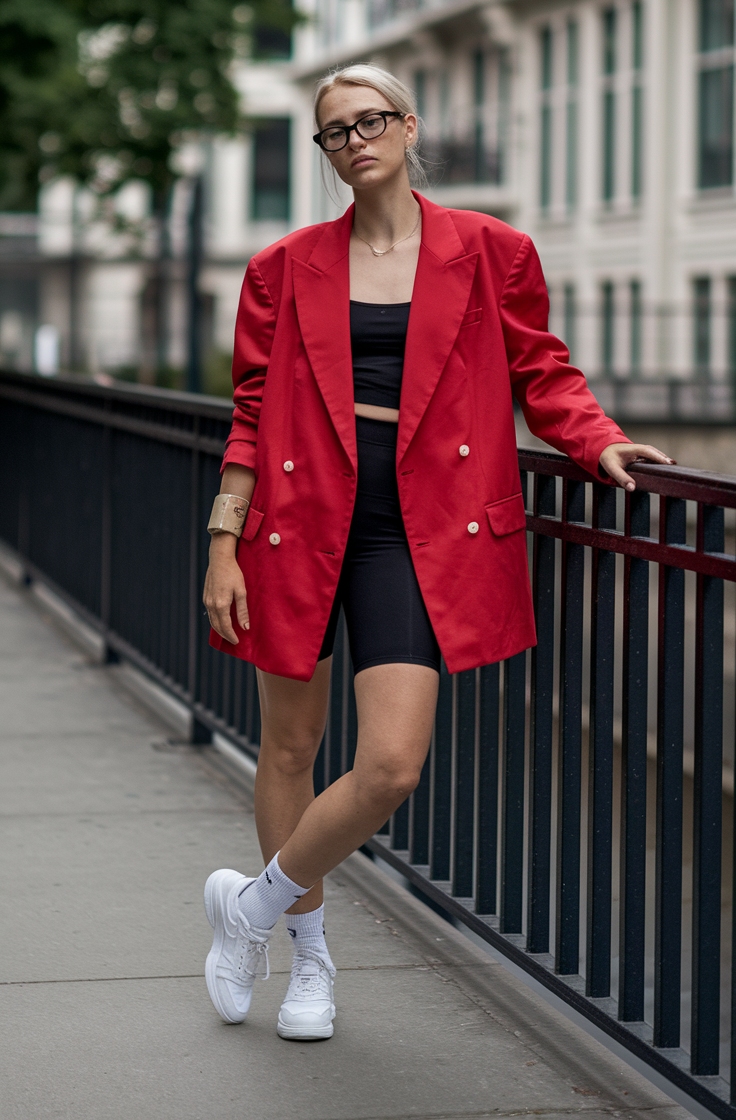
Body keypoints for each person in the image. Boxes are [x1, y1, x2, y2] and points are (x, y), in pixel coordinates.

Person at [202, 64, 671, 1042]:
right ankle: (309, 960)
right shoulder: (284, 267)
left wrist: (596, 439)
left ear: (409, 127)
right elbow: (250, 412)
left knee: (390, 765)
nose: (355, 139)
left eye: (371, 120)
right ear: (325, 153)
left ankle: (245, 909)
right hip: (295, 518)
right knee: (291, 744)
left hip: (416, 528)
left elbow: (541, 368)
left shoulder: (490, 250)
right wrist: (224, 537)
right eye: (335, 131)